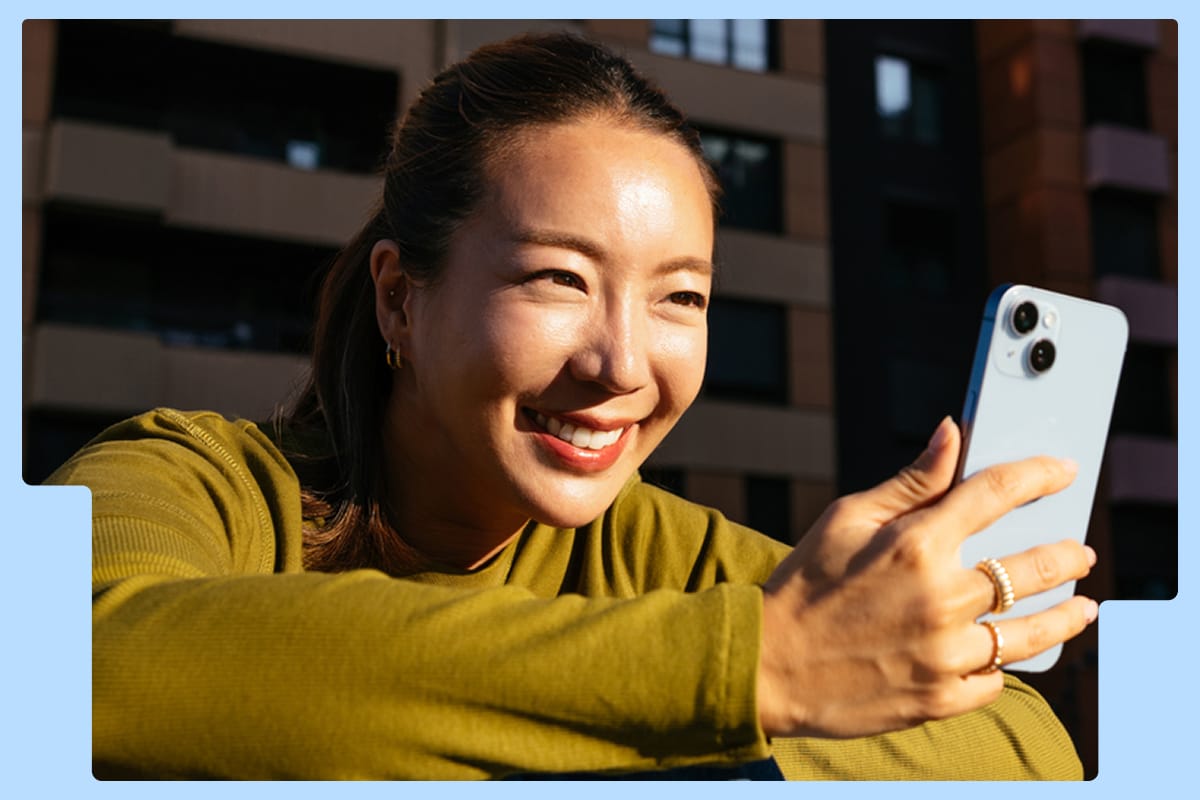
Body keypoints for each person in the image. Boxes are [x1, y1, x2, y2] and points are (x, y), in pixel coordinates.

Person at [67, 33, 1097, 780]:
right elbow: (83, 656)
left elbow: (1025, 743)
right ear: (401, 297)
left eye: (680, 297)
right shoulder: (196, 479)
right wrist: (754, 675)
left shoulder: (680, 558)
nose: (622, 362)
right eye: (558, 280)